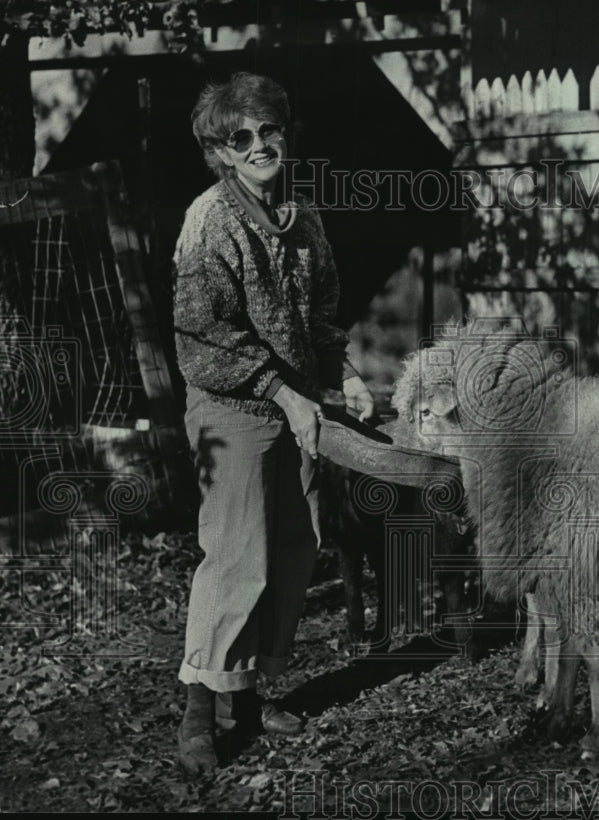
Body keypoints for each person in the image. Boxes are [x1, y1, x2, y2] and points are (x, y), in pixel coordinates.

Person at [172, 72, 374, 776]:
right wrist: (280, 392)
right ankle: (200, 711)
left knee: (295, 545)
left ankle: (245, 694)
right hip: (231, 405)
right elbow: (201, 335)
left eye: (269, 130)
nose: (260, 145)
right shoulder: (210, 221)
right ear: (220, 152)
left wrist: (338, 372)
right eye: (241, 138)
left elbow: (319, 315)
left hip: (296, 404)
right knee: (236, 555)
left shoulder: (302, 218)